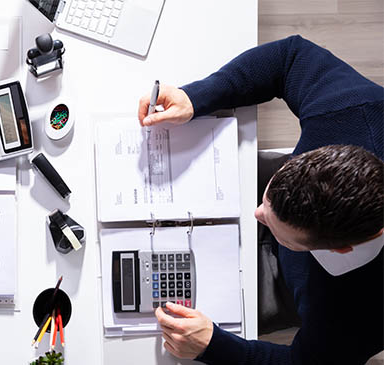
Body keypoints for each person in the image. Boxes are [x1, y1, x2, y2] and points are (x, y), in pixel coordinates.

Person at [137, 35, 383, 364]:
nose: (256, 213)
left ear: (339, 249)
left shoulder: (359, 318)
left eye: (270, 218)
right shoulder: (354, 111)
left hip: (292, 290)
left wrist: (214, 346)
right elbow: (289, 58)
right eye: (266, 201)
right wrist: (196, 97)